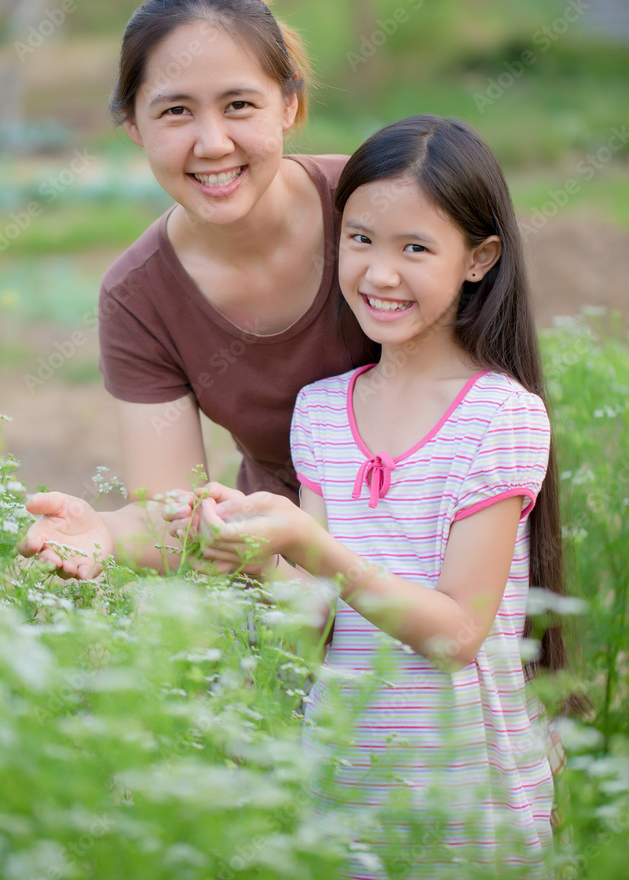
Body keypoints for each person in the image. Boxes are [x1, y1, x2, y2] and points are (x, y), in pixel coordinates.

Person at [193, 115, 566, 877]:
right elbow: (315, 610)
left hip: (465, 791)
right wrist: (249, 548)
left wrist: (308, 542)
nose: (379, 273)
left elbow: (457, 633)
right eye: (359, 240)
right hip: (344, 776)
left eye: (415, 248)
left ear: (478, 259)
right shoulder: (324, 409)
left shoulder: (499, 417)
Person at [19, 0, 375, 579]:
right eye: (176, 111)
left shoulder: (375, 208)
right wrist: (102, 531)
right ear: (134, 125)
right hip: (286, 582)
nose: (212, 144)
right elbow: (171, 516)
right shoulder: (139, 297)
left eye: (239, 105)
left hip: (440, 550)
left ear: (288, 103)